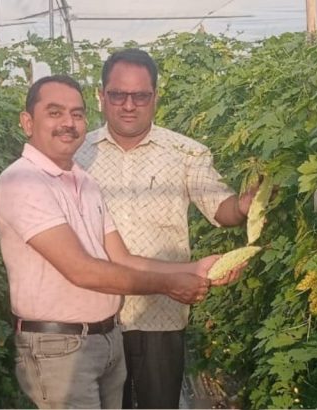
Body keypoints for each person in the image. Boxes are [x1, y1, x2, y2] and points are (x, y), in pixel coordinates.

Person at [0, 75, 239, 409]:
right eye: (54, 113)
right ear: (27, 122)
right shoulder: (22, 181)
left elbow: (120, 258)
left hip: (106, 340)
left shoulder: (85, 183)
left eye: (77, 114)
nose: (68, 123)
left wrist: (196, 269)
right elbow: (82, 271)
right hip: (59, 348)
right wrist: (169, 284)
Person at [75, 49, 258, 409]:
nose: (129, 105)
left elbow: (220, 209)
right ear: (101, 96)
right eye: (118, 95)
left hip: (160, 314)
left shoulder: (185, 153)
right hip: (92, 317)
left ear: (155, 97)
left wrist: (242, 207)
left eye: (140, 96)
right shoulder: (77, 155)